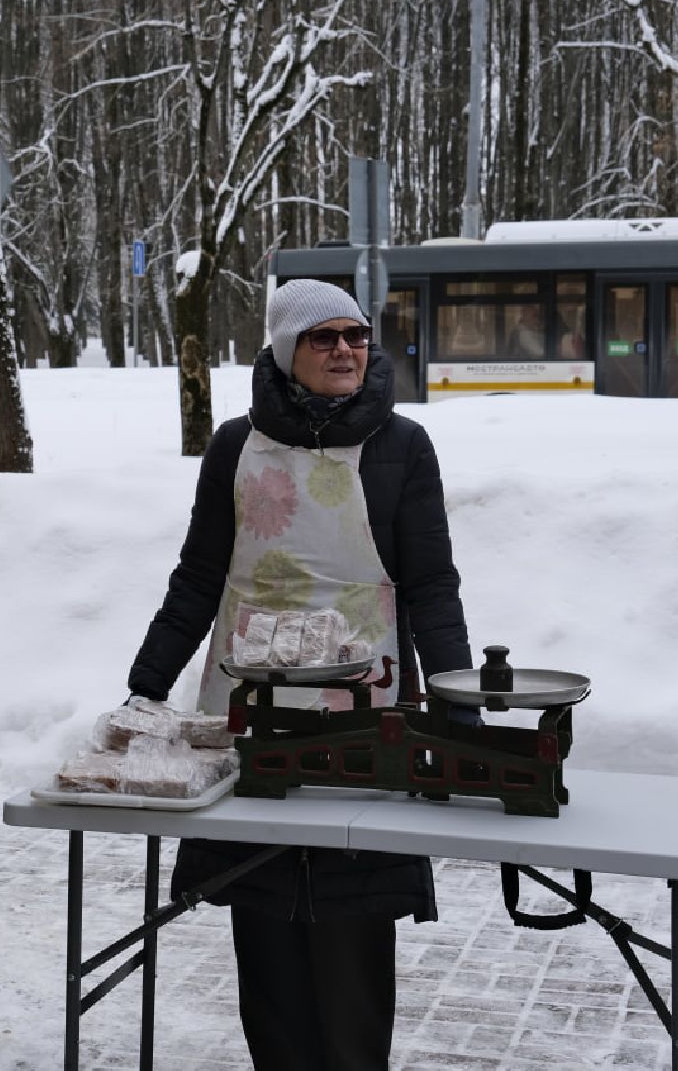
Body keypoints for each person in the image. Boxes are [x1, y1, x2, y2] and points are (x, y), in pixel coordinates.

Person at [127, 278, 475, 1070]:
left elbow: (430, 585)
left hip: (367, 707)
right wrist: (145, 685)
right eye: (324, 338)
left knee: (353, 919)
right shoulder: (233, 446)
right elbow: (198, 576)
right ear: (287, 352)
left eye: (355, 336)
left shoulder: (402, 446)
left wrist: (457, 700)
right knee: (263, 908)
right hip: (248, 706)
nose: (346, 350)